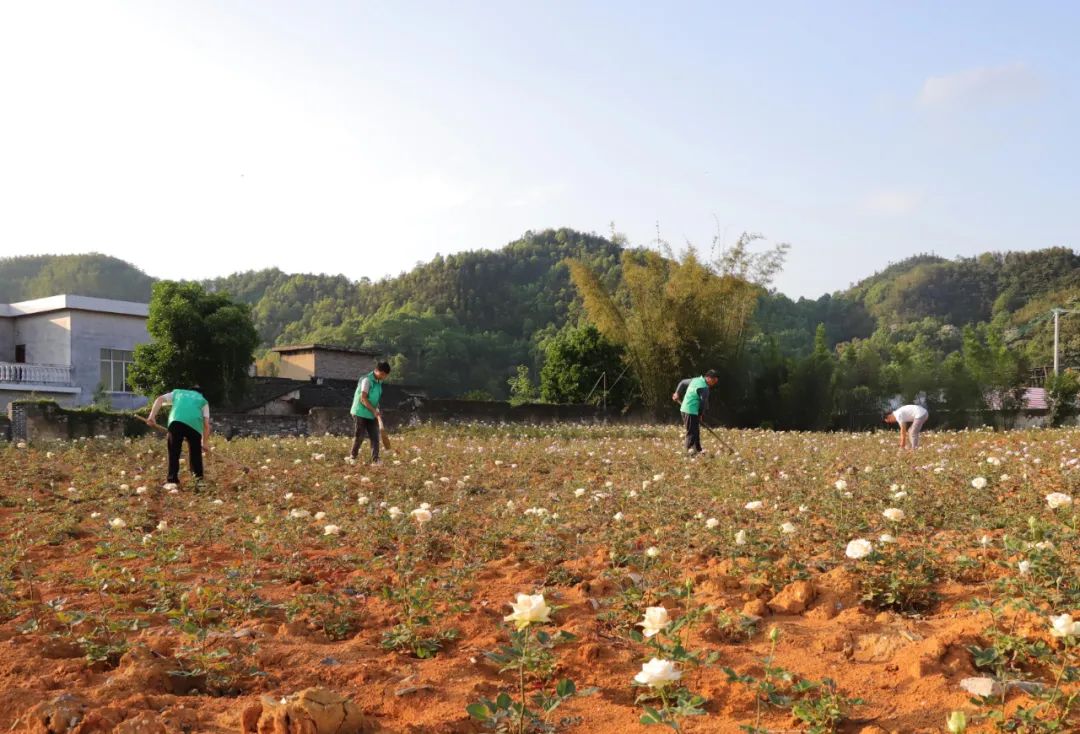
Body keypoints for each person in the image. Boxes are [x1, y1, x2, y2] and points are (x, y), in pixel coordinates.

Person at [147, 386, 211, 485]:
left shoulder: (178, 393)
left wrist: (151, 416)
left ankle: (172, 480)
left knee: (174, 452)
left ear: (189, 390)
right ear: (201, 394)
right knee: (195, 454)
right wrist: (204, 443)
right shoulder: (203, 400)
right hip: (194, 425)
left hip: (176, 421)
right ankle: (198, 481)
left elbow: (159, 399)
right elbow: (206, 425)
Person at [351, 361, 391, 464]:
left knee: (375, 437)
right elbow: (363, 399)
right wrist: (373, 410)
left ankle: (375, 459)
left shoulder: (379, 383)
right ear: (376, 370)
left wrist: (377, 410)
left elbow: (375, 399)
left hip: (371, 413)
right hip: (360, 412)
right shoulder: (366, 380)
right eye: (382, 374)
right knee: (360, 436)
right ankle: (353, 457)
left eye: (385, 375)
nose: (383, 377)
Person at [672, 370, 720, 454]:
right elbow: (702, 403)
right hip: (691, 411)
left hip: (684, 409)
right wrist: (700, 414)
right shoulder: (704, 388)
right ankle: (688, 452)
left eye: (715, 382)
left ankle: (698, 449)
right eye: (714, 381)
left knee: (695, 430)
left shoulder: (695, 380)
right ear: (708, 378)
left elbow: (682, 382)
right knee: (691, 432)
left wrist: (677, 393)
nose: (714, 384)